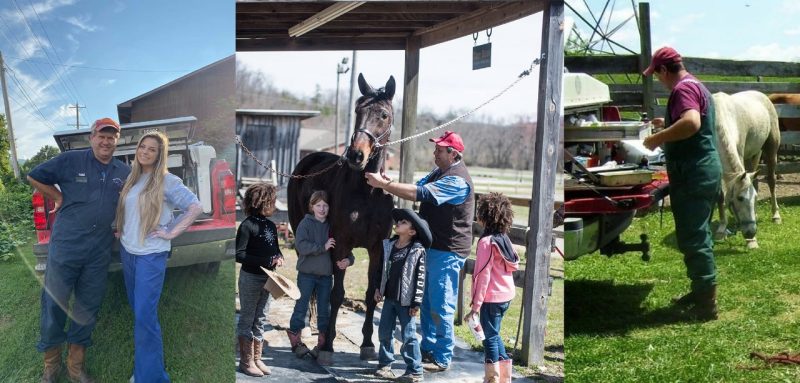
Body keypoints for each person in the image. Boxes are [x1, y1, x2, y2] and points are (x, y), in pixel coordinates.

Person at [28, 118, 131, 383]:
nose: (106, 141)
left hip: (99, 249)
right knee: (54, 302)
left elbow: (132, 199)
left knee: (88, 304)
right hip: (67, 245)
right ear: (91, 137)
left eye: (111, 137)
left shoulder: (123, 170)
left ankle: (75, 367)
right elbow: (34, 175)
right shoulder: (70, 160)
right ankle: (51, 365)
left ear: (117, 140)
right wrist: (58, 197)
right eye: (101, 136)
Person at [365, 130, 475, 372]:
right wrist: (389, 183)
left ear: (453, 154)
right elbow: (416, 186)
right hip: (434, 247)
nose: (435, 153)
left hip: (448, 250)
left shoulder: (457, 180)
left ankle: (442, 357)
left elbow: (420, 194)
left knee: (441, 305)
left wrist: (384, 184)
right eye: (436, 148)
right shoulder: (438, 172)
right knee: (425, 302)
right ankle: (428, 348)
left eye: (440, 150)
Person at [115, 131, 202, 382]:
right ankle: (146, 368)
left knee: (145, 316)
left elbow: (195, 207)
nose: (145, 151)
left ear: (159, 154)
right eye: (142, 146)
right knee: (139, 312)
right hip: (128, 251)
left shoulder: (167, 180)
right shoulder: (133, 178)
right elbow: (130, 210)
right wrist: (123, 228)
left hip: (150, 256)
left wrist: (171, 231)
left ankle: (151, 377)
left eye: (152, 149)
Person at [642, 46, 722, 320]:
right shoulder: (696, 85)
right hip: (704, 169)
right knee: (699, 232)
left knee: (693, 236)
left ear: (664, 69)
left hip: (694, 172)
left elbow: (691, 123)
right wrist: (666, 122)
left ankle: (706, 304)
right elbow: (691, 118)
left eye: (657, 74)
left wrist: (658, 137)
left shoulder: (682, 89)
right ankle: (701, 290)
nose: (658, 80)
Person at [286, 190, 354, 361]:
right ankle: (296, 341)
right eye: (318, 205)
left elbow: (345, 248)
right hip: (306, 275)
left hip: (325, 277)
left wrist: (349, 260)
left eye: (325, 205)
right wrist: (322, 247)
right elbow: (301, 246)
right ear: (312, 207)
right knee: (301, 307)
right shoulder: (305, 224)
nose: (322, 209)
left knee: (324, 310)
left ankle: (322, 343)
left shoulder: (333, 226)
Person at [463, 193, 519, 383]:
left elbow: (483, 276)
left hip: (492, 299)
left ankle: (492, 379)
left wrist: (475, 307)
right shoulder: (503, 238)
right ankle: (504, 379)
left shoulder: (486, 242)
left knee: (489, 339)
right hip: (506, 296)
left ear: (484, 216)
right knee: (494, 335)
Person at [373, 208, 431, 383]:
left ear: (412, 232)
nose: (398, 223)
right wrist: (378, 289)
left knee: (408, 335)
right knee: (384, 331)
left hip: (406, 302)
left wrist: (416, 302)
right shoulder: (388, 246)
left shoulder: (417, 250)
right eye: (399, 221)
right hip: (389, 299)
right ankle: (384, 364)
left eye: (404, 222)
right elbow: (380, 270)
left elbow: (421, 278)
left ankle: (415, 370)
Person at [235, 183, 285, 377]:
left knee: (261, 317)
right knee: (247, 318)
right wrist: (266, 261)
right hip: (250, 278)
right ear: (261, 202)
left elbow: (275, 248)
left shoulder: (271, 226)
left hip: (269, 279)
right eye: (272, 201)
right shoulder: (247, 226)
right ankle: (245, 361)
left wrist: (279, 256)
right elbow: (239, 254)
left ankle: (257, 358)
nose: (275, 205)